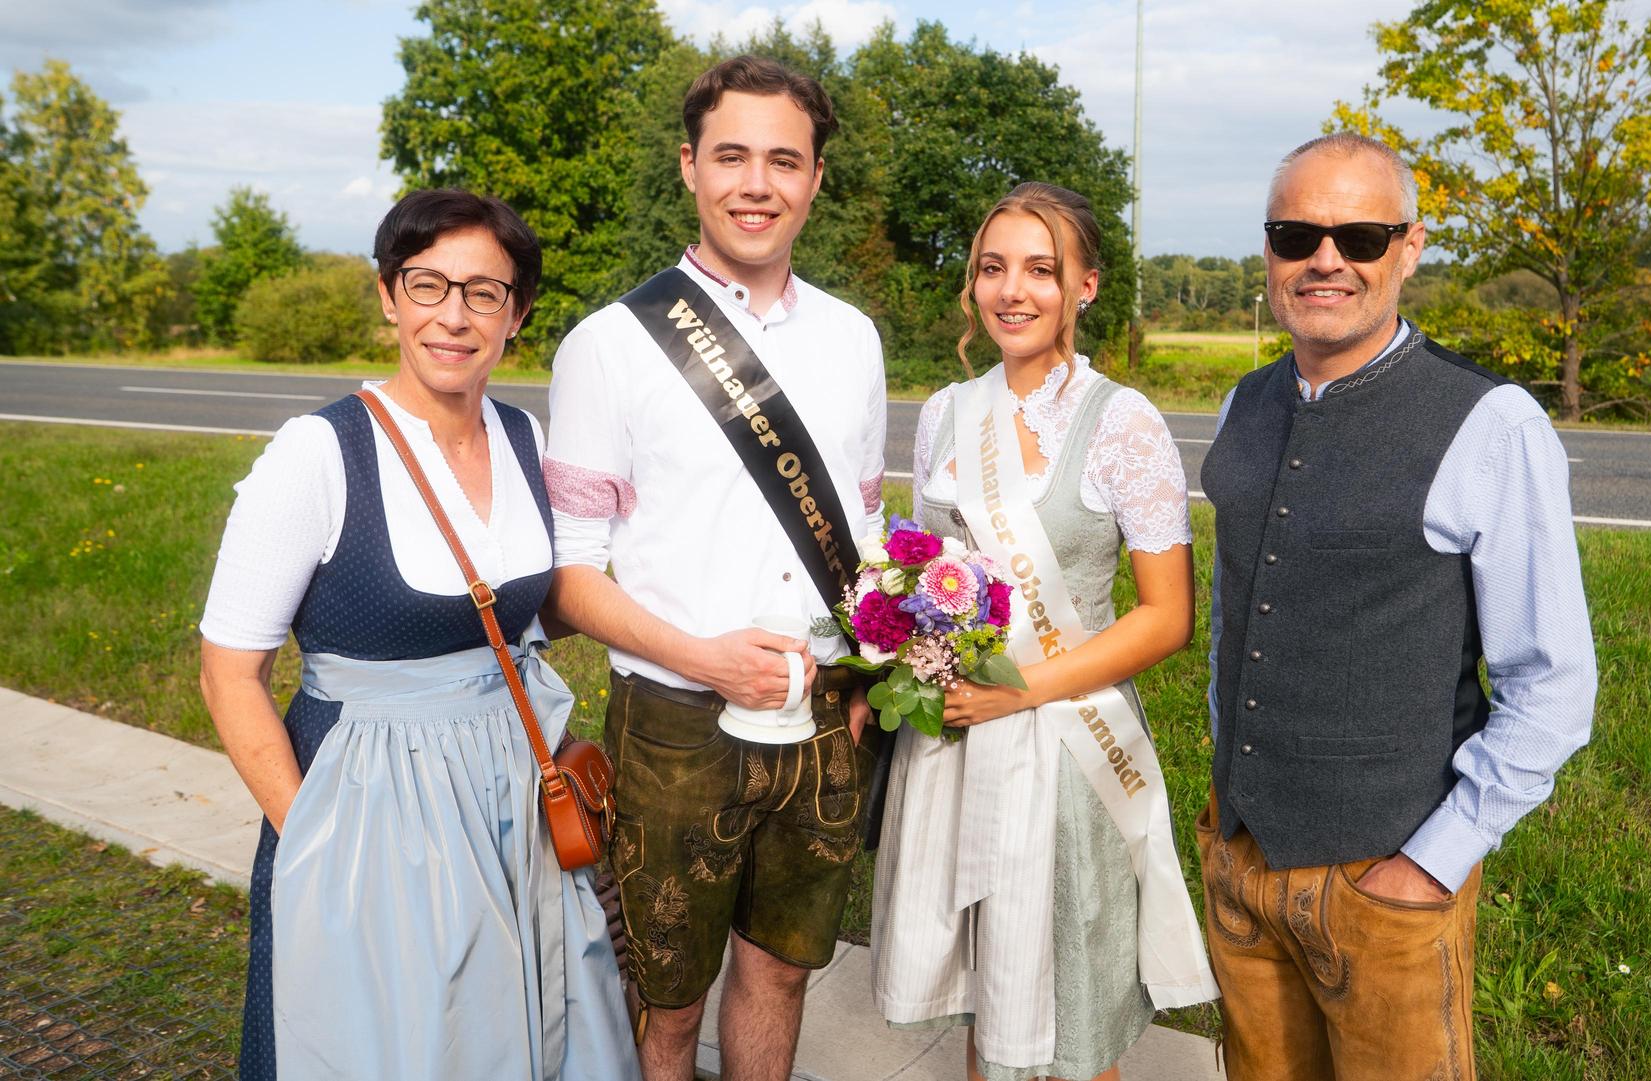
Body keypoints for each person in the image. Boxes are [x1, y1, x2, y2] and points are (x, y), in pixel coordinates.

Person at [198, 189, 638, 1080]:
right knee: (395, 1045)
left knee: (545, 1023)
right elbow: (228, 673)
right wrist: (315, 843)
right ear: (389, 294)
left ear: (516, 316)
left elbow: (531, 604)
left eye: (485, 292)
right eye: (428, 283)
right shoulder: (318, 453)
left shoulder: (522, 434)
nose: (454, 314)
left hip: (513, 789)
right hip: (370, 807)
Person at [1197, 132, 1599, 1080]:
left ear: (1409, 248)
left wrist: (1432, 861)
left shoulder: (1491, 422)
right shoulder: (1241, 404)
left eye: (1361, 236)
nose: (1325, 258)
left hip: (1389, 878)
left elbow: (1553, 682)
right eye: (1296, 234)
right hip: (1242, 860)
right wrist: (1224, 808)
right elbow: (1237, 613)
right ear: (1269, 252)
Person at [540, 56, 887, 1081]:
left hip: (824, 715)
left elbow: (861, 535)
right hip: (676, 723)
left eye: (784, 160)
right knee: (669, 1000)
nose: (756, 183)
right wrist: (704, 655)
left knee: (781, 974)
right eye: (731, 155)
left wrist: (862, 679)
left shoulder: (853, 340)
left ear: (815, 179)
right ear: (690, 167)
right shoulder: (607, 346)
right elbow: (568, 576)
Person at [870, 181, 1216, 1081]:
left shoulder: (1124, 423)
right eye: (993, 268)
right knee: (994, 1007)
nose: (1012, 291)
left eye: (1041, 269)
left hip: (1067, 745)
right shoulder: (948, 411)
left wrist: (1013, 690)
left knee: (1071, 1015)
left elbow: (1168, 616)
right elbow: (926, 573)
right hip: (957, 742)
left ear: (1086, 286)